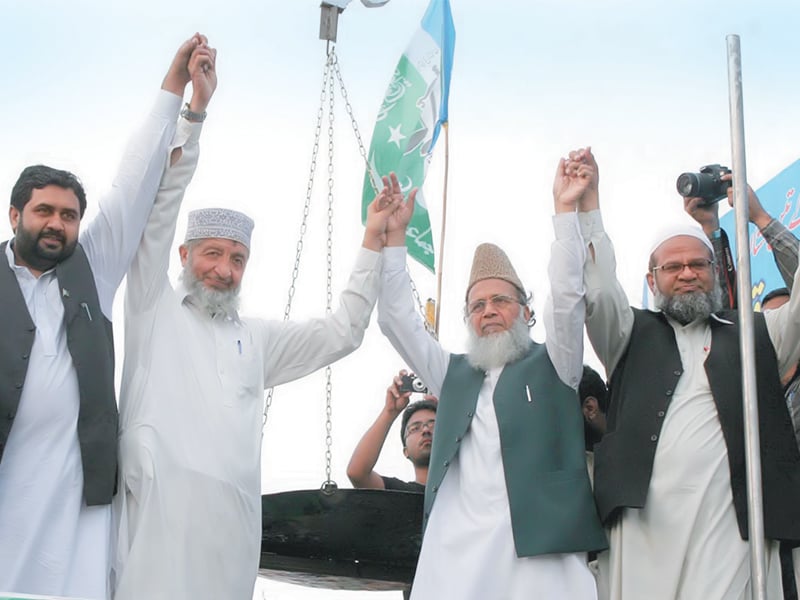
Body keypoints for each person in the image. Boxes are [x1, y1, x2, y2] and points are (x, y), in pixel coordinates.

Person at [111, 93, 407, 600]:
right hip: (160, 523)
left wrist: (373, 240)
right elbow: (158, 213)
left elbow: (345, 330)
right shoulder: (152, 307)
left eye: (238, 259)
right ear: (183, 254)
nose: (225, 270)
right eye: (213, 254)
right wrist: (193, 121)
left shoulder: (256, 337)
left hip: (234, 532)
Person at [0, 35, 210, 600]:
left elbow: (134, 182)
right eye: (44, 210)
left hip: (77, 502)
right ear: (15, 213)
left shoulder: (92, 265)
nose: (56, 224)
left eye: (68, 215)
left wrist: (178, 92)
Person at [376, 150, 607, 599]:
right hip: (457, 558)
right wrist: (395, 241)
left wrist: (564, 213)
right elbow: (395, 320)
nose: (489, 312)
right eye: (477, 306)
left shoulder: (556, 360)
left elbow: (566, 297)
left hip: (542, 557)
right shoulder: (452, 373)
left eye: (500, 301)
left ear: (524, 310)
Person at [573, 147, 800, 599]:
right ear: (652, 279)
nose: (687, 274)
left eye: (698, 264)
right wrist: (588, 207)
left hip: (731, 533)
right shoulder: (626, 333)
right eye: (672, 267)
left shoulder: (757, 333)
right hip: (644, 533)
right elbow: (598, 289)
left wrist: (758, 218)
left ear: (715, 272)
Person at [683, 174, 799, 309]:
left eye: (784, 316)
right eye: (768, 317)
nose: (777, 323)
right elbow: (724, 316)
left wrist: (760, 217)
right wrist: (710, 226)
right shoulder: (758, 328)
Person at [347, 370, 437, 492]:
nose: (426, 430)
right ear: (406, 451)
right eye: (415, 428)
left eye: (433, 425)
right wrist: (390, 411)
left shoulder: (467, 487)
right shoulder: (401, 493)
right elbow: (357, 473)